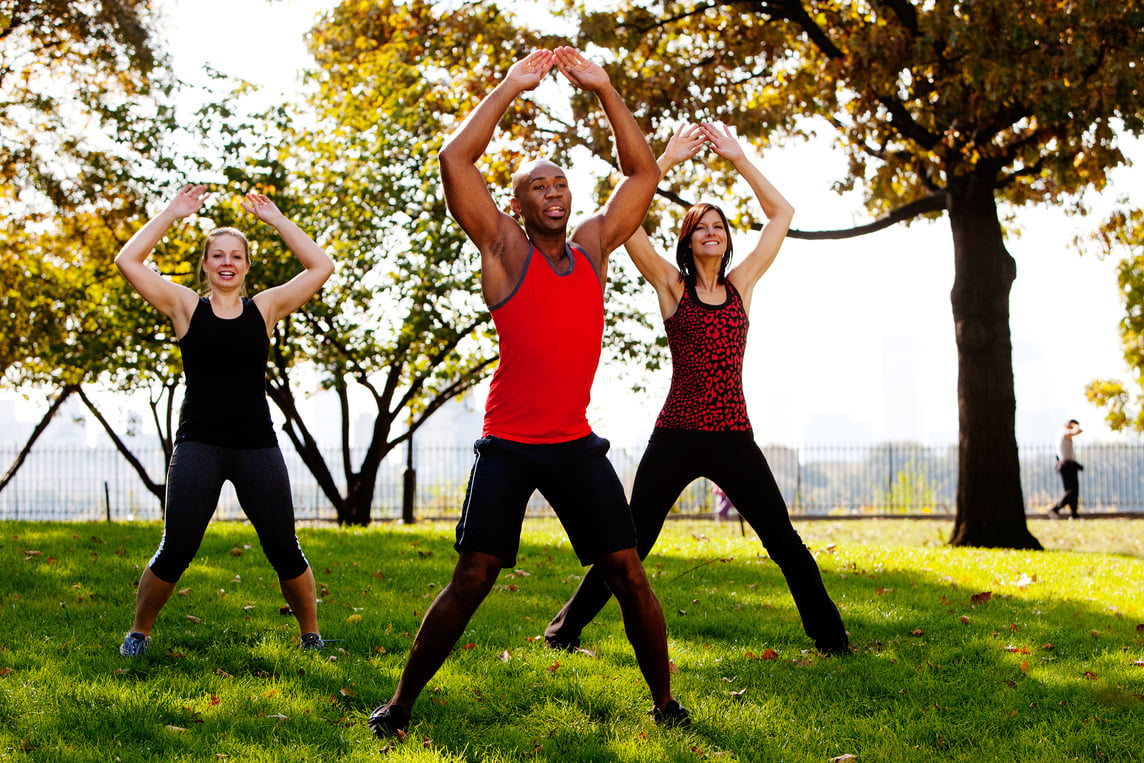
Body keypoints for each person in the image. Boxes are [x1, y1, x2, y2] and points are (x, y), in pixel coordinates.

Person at [366, 47, 688, 737]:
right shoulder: (505, 250)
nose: (555, 193)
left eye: (562, 184)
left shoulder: (595, 248)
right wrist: (511, 85)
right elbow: (457, 161)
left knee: (628, 572)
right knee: (475, 573)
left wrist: (604, 87)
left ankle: (666, 705)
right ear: (516, 204)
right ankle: (399, 705)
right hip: (509, 444)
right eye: (539, 186)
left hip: (574, 444)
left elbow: (644, 173)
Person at [544, 122, 851, 656]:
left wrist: (738, 157)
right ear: (686, 239)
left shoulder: (743, 284)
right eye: (701, 226)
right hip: (677, 435)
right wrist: (663, 159)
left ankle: (831, 640)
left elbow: (782, 215)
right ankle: (563, 632)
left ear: (728, 238)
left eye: (720, 226)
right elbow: (624, 220)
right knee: (629, 546)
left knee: (783, 541)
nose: (712, 231)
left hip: (734, 436)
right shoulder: (671, 285)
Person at [114, 185, 334, 657]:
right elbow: (128, 262)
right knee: (176, 547)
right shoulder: (185, 306)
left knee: (283, 545)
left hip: (256, 444)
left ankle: (310, 635)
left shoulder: (266, 309)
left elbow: (322, 266)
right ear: (207, 265)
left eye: (236, 255)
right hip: (200, 444)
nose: (227, 262)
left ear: (247, 266)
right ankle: (139, 632)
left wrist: (277, 219)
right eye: (218, 255)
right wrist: (171, 214)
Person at [1049, 419, 1084, 518]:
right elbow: (1078, 431)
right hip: (1067, 464)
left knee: (1072, 490)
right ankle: (1056, 508)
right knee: (1072, 490)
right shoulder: (1064, 433)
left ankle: (1073, 513)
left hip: (1065, 464)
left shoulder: (1059, 434)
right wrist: (1075, 425)